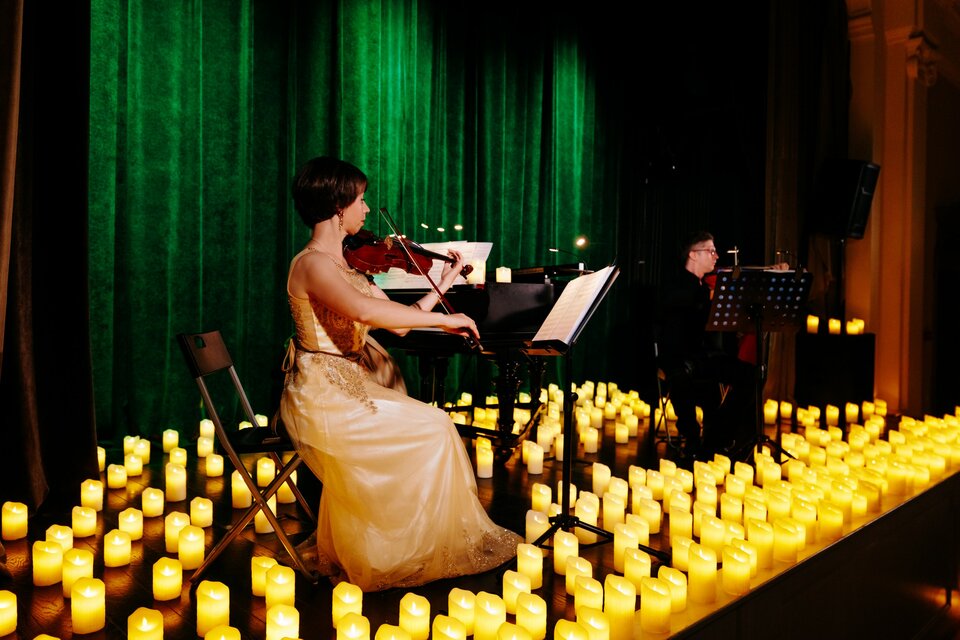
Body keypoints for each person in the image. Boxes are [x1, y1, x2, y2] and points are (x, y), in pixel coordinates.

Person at [279, 156, 521, 591]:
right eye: (360, 200)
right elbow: (365, 311)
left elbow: (400, 324)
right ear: (338, 207)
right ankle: (390, 549)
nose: (367, 209)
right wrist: (447, 320)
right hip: (321, 391)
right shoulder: (312, 264)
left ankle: (402, 543)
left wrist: (446, 282)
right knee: (434, 426)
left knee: (433, 424)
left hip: (349, 383)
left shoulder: (344, 266)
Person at [657, 231, 757, 463]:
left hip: (704, 359)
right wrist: (709, 296)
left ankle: (717, 437)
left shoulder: (705, 288)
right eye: (711, 251)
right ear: (693, 255)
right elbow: (679, 305)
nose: (716, 256)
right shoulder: (675, 286)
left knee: (751, 374)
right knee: (681, 375)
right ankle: (693, 441)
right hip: (679, 359)